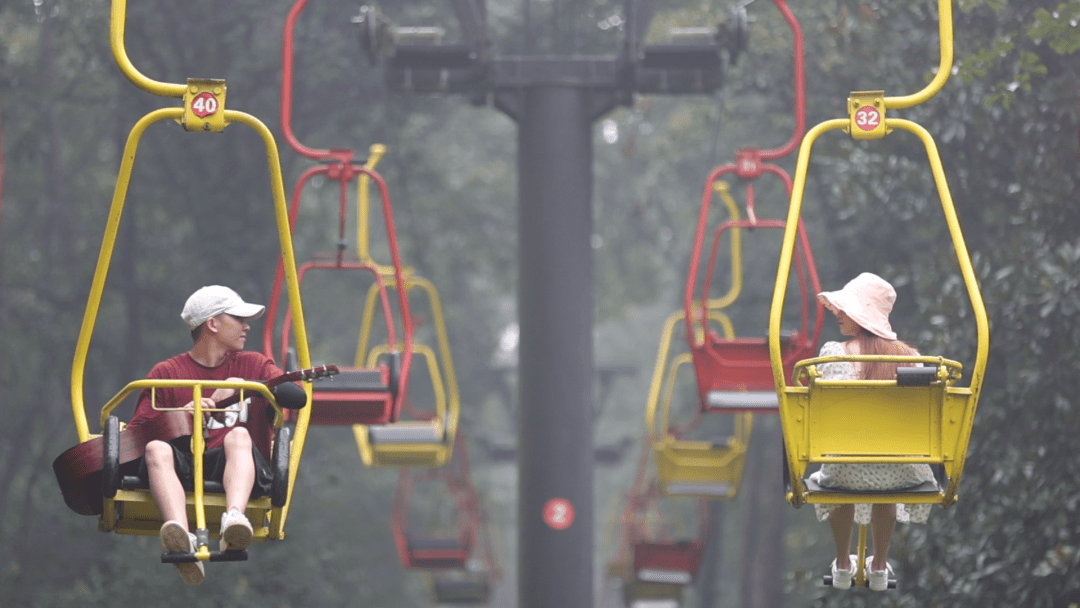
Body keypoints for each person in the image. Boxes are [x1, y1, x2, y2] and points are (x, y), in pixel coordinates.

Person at [128, 285, 297, 585]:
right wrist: (183, 413)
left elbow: (293, 397)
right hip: (184, 465)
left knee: (238, 437)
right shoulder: (166, 373)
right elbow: (137, 436)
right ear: (213, 324)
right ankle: (180, 533)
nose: (246, 326)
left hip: (238, 464)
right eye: (238, 318)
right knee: (156, 449)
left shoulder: (254, 364)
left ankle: (234, 516)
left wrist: (245, 384)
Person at [808, 272, 935, 592]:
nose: (837, 313)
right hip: (902, 473)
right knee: (886, 467)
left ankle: (841, 562)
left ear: (862, 315)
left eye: (845, 308)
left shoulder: (834, 354)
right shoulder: (913, 360)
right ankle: (879, 564)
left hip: (844, 471)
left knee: (842, 467)